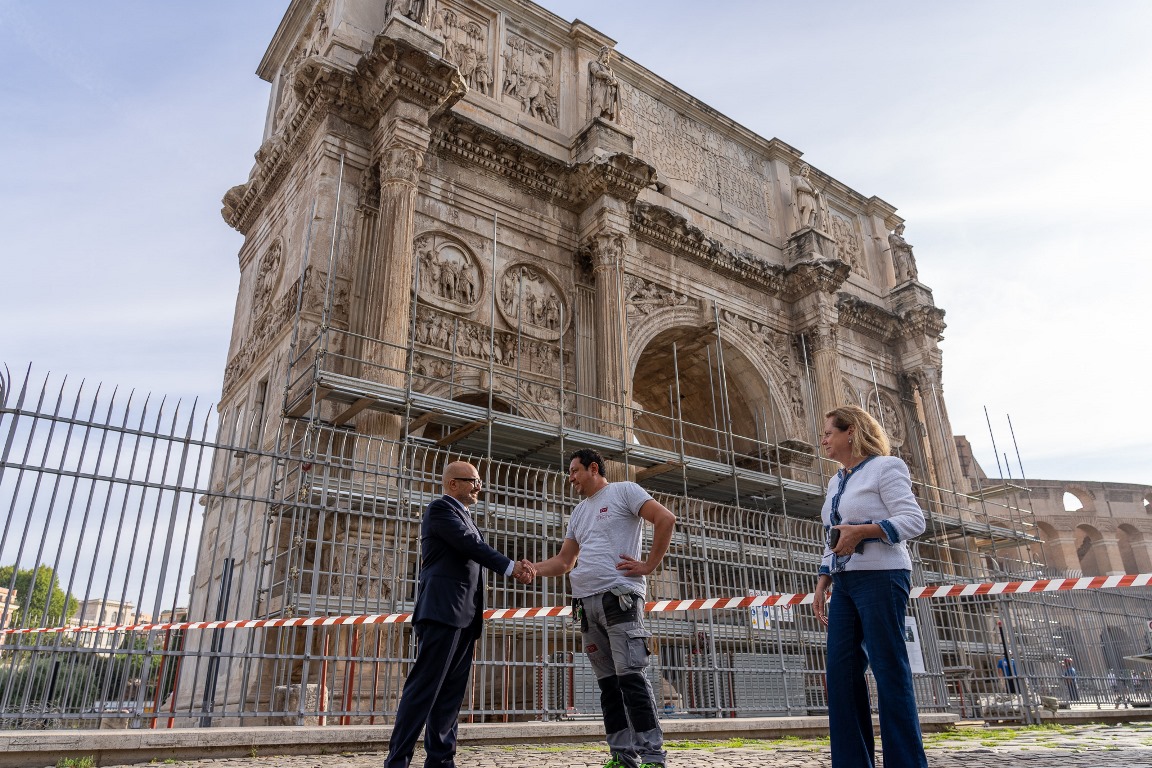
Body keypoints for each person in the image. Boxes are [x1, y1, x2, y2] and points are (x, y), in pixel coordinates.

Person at [530, 448, 676, 768]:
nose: (570, 478)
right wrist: (535, 569)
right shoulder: (579, 512)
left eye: (574, 471)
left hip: (618, 597)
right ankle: (622, 758)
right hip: (584, 604)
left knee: (631, 679)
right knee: (608, 686)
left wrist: (649, 565)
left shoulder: (625, 491)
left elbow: (666, 518)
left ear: (593, 468)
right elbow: (565, 561)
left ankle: (653, 757)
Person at [383, 460, 535, 768]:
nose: (480, 487)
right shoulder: (440, 510)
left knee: (450, 695)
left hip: (465, 616)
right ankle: (397, 761)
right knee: (424, 690)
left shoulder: (465, 516)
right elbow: (469, 546)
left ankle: (441, 761)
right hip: (442, 612)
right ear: (453, 484)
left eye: (480, 482)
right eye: (474, 482)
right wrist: (510, 567)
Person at [813, 405, 928, 768]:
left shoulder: (886, 467)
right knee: (841, 674)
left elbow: (913, 520)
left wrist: (865, 530)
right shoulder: (835, 480)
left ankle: (906, 763)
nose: (823, 439)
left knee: (888, 668)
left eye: (829, 432)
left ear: (851, 432)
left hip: (883, 576)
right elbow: (834, 534)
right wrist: (823, 579)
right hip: (844, 581)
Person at [589, 46, 620, 121]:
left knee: (608, 111)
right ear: (601, 54)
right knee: (598, 105)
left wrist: (613, 82)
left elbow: (615, 80)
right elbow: (596, 72)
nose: (607, 56)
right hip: (599, 87)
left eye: (609, 55)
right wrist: (607, 76)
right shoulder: (594, 63)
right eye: (606, 53)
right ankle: (594, 122)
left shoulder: (610, 70)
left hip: (609, 92)